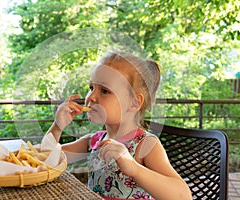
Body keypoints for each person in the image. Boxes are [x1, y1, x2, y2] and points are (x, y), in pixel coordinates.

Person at [46, 51, 192, 200]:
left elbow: (183, 195)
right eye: (91, 88)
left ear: (134, 103)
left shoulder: (145, 144)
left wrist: (134, 168)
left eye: (104, 91)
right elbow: (46, 158)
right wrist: (57, 127)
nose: (91, 97)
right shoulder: (93, 141)